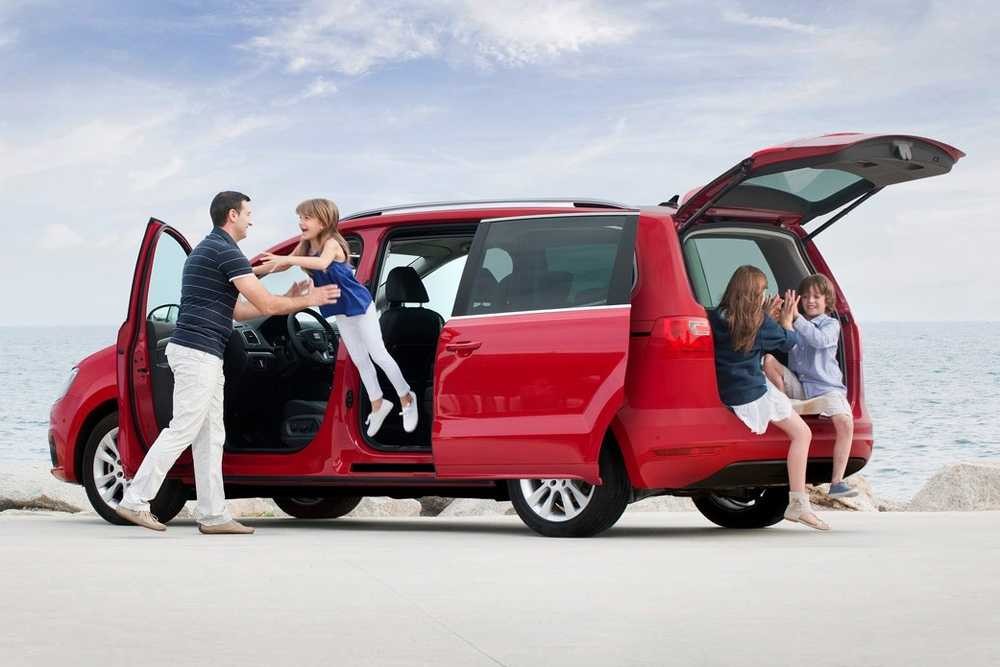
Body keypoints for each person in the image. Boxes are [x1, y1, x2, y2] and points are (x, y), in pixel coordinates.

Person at [116, 191, 341, 534]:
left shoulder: (212, 250)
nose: (251, 220)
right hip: (197, 353)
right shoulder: (224, 250)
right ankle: (135, 500)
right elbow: (265, 305)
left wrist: (288, 298)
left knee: (211, 436)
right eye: (248, 213)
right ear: (232, 215)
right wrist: (308, 298)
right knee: (184, 429)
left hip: (205, 352)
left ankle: (213, 515)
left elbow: (238, 311)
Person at [258, 198, 417, 437]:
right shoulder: (306, 244)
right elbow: (280, 266)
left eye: (306, 218)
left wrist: (288, 259)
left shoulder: (332, 244)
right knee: (359, 359)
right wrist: (248, 272)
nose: (301, 222)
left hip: (359, 305)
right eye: (300, 217)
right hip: (339, 307)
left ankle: (406, 397)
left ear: (323, 221)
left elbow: (321, 263)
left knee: (378, 355)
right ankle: (378, 404)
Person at [709, 265, 830, 531]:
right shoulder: (760, 323)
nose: (765, 295)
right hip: (753, 394)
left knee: (769, 370)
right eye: (763, 291)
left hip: (729, 390)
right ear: (755, 294)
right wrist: (785, 320)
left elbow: (744, 328)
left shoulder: (717, 317)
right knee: (802, 434)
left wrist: (764, 314)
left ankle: (791, 403)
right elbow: (789, 342)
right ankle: (798, 504)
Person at [763, 273, 856, 499]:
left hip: (826, 388)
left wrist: (796, 319)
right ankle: (784, 406)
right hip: (802, 386)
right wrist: (783, 321)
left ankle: (837, 482)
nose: (810, 301)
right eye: (805, 297)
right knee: (769, 361)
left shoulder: (831, 325)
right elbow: (786, 347)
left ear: (827, 301)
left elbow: (819, 341)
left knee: (845, 422)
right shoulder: (798, 323)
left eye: (816, 297)